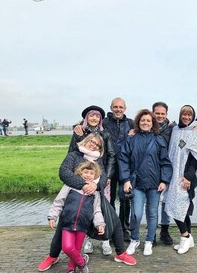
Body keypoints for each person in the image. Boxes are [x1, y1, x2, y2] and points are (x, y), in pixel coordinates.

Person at [38, 133, 136, 272]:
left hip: (94, 196)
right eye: (92, 142)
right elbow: (64, 172)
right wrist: (83, 184)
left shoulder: (99, 160)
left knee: (115, 222)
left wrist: (95, 186)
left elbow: (103, 177)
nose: (93, 145)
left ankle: (120, 253)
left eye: (97, 145)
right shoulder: (73, 155)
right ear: (85, 141)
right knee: (62, 228)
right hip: (74, 196)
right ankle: (53, 256)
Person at [75, 98, 134, 241]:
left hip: (126, 166)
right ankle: (111, 226)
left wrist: (170, 124)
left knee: (125, 198)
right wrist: (76, 127)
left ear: (125, 108)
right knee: (109, 199)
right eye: (115, 107)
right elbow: (87, 124)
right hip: (108, 166)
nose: (118, 109)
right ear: (111, 108)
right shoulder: (105, 122)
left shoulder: (130, 123)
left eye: (121, 107)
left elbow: (147, 126)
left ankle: (124, 227)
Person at [118, 109, 173, 256]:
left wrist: (164, 180)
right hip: (137, 183)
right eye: (143, 120)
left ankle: (149, 241)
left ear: (152, 123)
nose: (145, 123)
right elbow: (123, 160)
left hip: (155, 184)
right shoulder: (131, 139)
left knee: (153, 213)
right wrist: (125, 180)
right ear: (138, 122)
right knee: (136, 214)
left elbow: (165, 162)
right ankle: (134, 240)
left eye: (148, 120)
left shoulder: (158, 140)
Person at [70, 105, 116, 256]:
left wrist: (107, 176)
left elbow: (111, 156)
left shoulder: (105, 134)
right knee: (86, 208)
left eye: (97, 116)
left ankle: (105, 240)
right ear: (86, 118)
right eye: (91, 116)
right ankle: (88, 239)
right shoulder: (79, 132)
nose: (94, 118)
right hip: (84, 177)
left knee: (103, 207)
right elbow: (72, 153)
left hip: (101, 178)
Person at [48, 161, 105, 273]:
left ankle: (71, 269)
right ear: (80, 173)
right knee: (67, 247)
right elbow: (59, 201)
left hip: (83, 224)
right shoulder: (70, 186)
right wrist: (52, 216)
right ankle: (82, 263)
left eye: (91, 173)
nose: (88, 175)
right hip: (68, 222)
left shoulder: (95, 193)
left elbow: (97, 210)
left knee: (77, 248)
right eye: (85, 172)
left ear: (95, 175)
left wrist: (100, 224)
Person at [163, 105, 197, 254]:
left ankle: (184, 236)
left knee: (178, 206)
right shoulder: (175, 130)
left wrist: (188, 176)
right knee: (182, 208)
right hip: (174, 174)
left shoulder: (195, 132)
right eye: (184, 115)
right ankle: (189, 238)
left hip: (186, 176)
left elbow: (196, 157)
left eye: (189, 115)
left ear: (193, 116)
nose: (186, 117)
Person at [152, 101, 176, 245]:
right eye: (157, 113)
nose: (160, 116)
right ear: (153, 113)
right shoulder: (148, 126)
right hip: (152, 168)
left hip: (168, 166)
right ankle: (152, 232)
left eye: (162, 113)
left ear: (166, 114)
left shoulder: (173, 128)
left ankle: (165, 230)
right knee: (153, 201)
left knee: (166, 201)